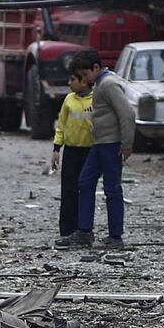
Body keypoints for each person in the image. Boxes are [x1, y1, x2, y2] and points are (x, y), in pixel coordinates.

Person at [60, 48, 134, 250]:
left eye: (85, 75)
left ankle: (115, 236)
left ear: (95, 68)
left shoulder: (109, 84)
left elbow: (127, 113)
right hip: (99, 143)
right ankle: (84, 231)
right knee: (84, 182)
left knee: (112, 188)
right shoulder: (101, 84)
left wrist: (127, 143)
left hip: (111, 144)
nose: (85, 80)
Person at [48, 73, 96, 241]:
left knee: (85, 190)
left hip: (90, 152)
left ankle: (83, 228)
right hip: (71, 151)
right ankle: (67, 230)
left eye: (72, 80)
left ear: (83, 82)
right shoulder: (69, 100)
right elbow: (61, 126)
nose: (69, 83)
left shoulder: (96, 99)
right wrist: (56, 149)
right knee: (68, 190)